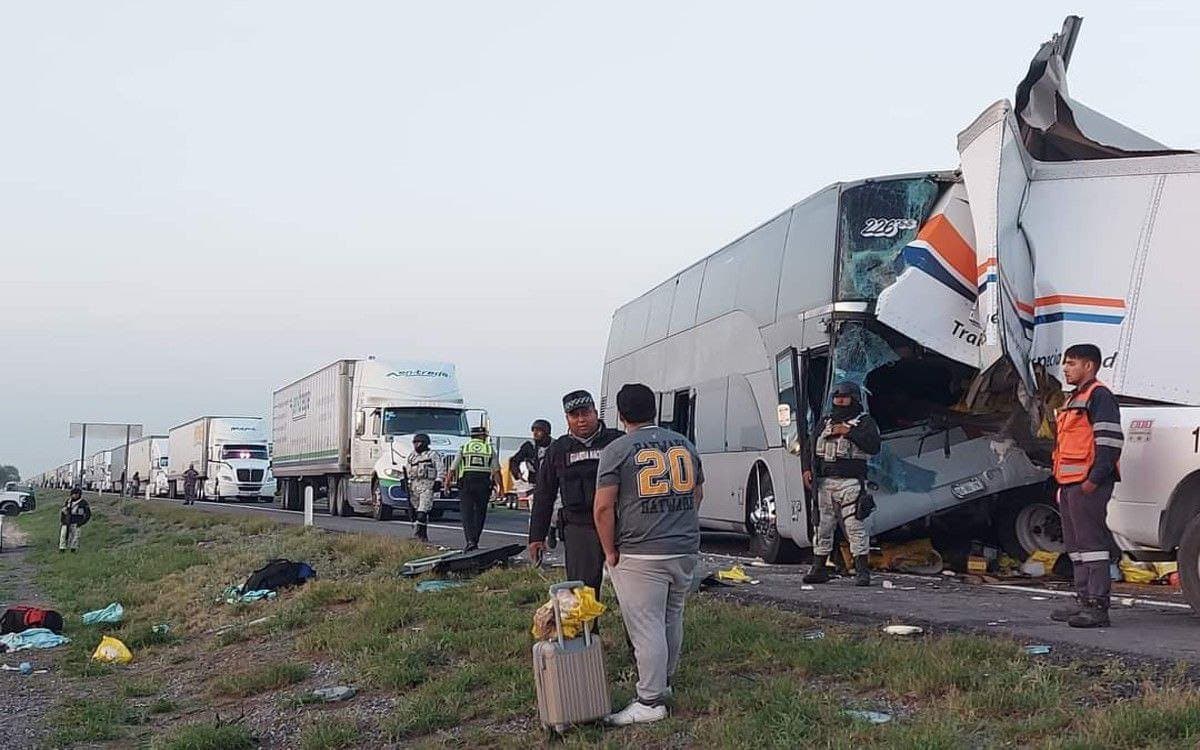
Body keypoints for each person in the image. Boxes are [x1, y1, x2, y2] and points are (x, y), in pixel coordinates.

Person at [595, 383, 704, 726]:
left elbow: (603, 507)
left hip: (641, 551)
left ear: (620, 415)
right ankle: (664, 683)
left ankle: (650, 699)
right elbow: (697, 493)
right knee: (672, 617)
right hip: (684, 547)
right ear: (654, 409)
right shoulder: (684, 444)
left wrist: (610, 551)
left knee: (646, 626)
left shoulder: (617, 450)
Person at [1051, 343, 1123, 628]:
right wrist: (1063, 485)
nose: (1065, 368)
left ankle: (1097, 605)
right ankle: (1083, 599)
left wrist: (1093, 480)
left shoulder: (1099, 396)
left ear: (1089, 366)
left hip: (1087, 484)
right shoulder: (1074, 398)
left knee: (1092, 546)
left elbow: (1110, 442)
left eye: (1071, 363)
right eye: (1065, 363)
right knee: (1076, 546)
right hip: (1071, 484)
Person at [527, 390, 624, 595]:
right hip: (579, 526)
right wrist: (536, 536)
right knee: (582, 590)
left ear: (595, 412)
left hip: (619, 524)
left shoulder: (617, 442)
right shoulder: (558, 449)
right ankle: (587, 618)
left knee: (630, 590)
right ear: (567, 418)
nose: (581, 420)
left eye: (586, 413)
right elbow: (544, 494)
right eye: (574, 415)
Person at [802, 381, 881, 587]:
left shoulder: (864, 422)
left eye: (844, 397)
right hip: (824, 482)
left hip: (851, 483)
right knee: (822, 526)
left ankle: (862, 571)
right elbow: (810, 447)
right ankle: (818, 568)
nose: (840, 401)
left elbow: (874, 446)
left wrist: (849, 432)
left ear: (853, 399)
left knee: (855, 527)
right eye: (837, 397)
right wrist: (807, 469)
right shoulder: (825, 422)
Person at [446, 425, 502, 551]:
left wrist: (447, 483)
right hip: (483, 484)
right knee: (480, 513)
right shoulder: (489, 449)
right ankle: (475, 540)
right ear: (482, 436)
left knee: (467, 513)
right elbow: (496, 471)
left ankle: (470, 541)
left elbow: (453, 468)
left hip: (467, 483)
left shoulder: (464, 448)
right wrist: (501, 488)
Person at [404, 433, 440, 542]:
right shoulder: (412, 456)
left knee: (422, 511)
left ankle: (419, 535)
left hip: (427, 485)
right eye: (414, 443)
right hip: (414, 486)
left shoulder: (432, 455)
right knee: (415, 512)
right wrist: (404, 481)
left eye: (418, 443)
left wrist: (439, 481)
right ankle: (421, 534)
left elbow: (440, 469)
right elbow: (407, 469)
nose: (416, 445)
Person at [508, 419, 552, 489]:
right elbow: (514, 461)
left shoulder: (555, 446)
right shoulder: (529, 446)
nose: (535, 433)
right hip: (533, 483)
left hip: (552, 485)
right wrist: (517, 474)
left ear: (546, 432)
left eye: (538, 431)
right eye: (534, 430)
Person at [59, 487, 91, 553]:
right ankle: (62, 549)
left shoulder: (83, 503)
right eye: (74, 494)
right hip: (66, 521)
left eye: (77, 494)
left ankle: (73, 550)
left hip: (77, 522)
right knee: (63, 535)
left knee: (76, 537)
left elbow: (88, 514)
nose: (75, 495)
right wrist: (62, 520)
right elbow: (63, 511)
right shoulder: (68, 501)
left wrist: (82, 522)